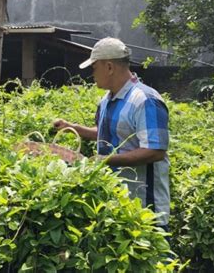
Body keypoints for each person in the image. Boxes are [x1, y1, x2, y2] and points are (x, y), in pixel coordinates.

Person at [53, 37, 170, 230]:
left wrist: (104, 160)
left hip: (146, 209)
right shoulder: (107, 100)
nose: (92, 73)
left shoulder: (145, 100)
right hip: (114, 204)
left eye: (94, 67)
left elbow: (155, 151)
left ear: (109, 67)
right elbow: (105, 133)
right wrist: (72, 127)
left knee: (156, 258)